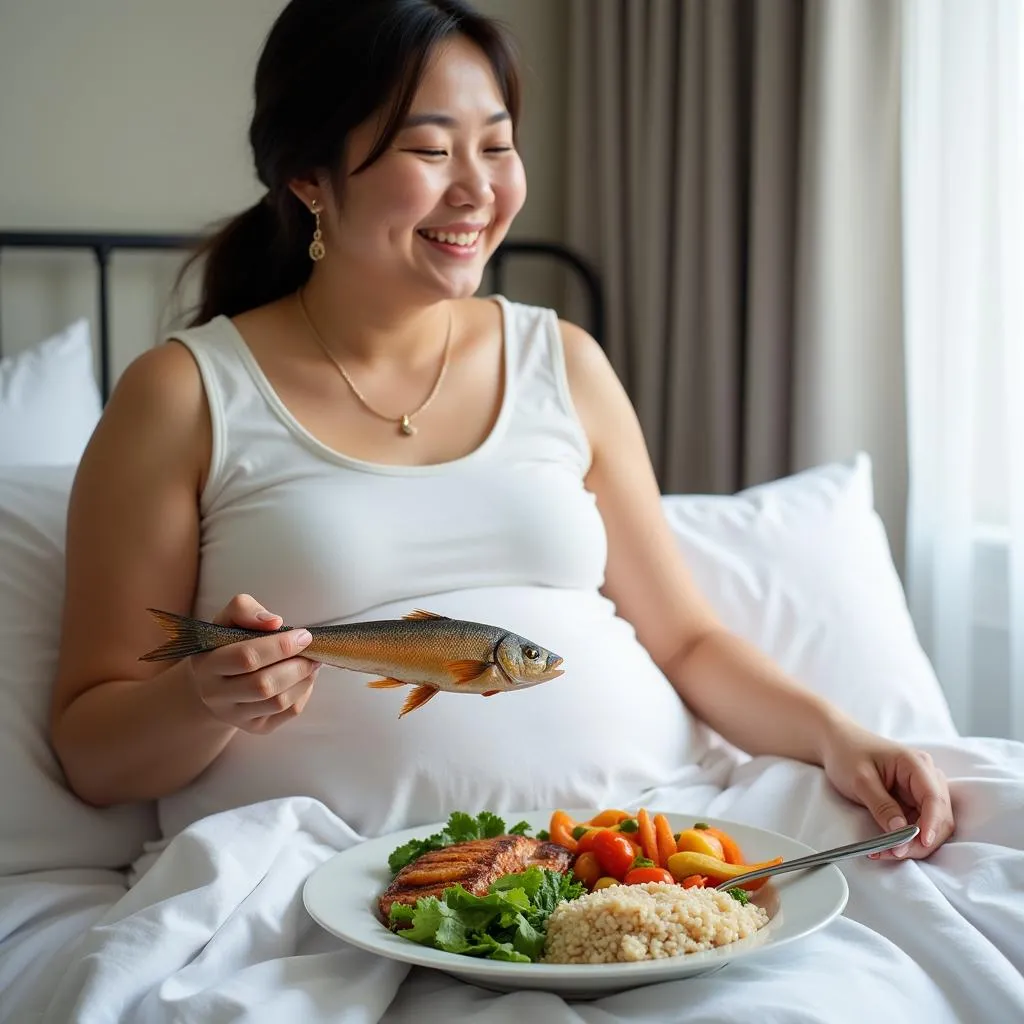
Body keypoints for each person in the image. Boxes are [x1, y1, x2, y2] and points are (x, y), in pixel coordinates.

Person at [49, 0, 953, 860]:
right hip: (325, 881)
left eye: (498, 146)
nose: (478, 189)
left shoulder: (566, 360)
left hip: (642, 848)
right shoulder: (183, 394)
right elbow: (93, 753)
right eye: (431, 149)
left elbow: (686, 643)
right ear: (308, 176)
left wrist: (840, 735)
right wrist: (203, 700)